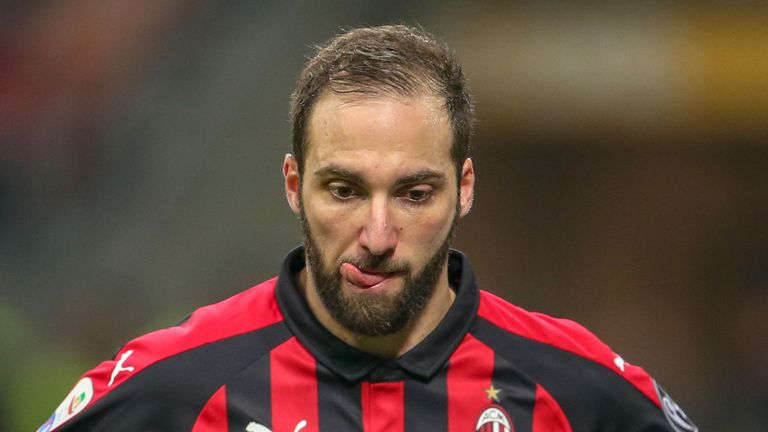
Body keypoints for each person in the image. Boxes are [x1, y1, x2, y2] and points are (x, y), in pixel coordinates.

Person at [39, 25, 697, 432]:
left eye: (414, 193)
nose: (377, 234)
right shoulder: (172, 384)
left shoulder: (578, 387)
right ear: (294, 184)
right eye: (345, 190)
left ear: (464, 189)